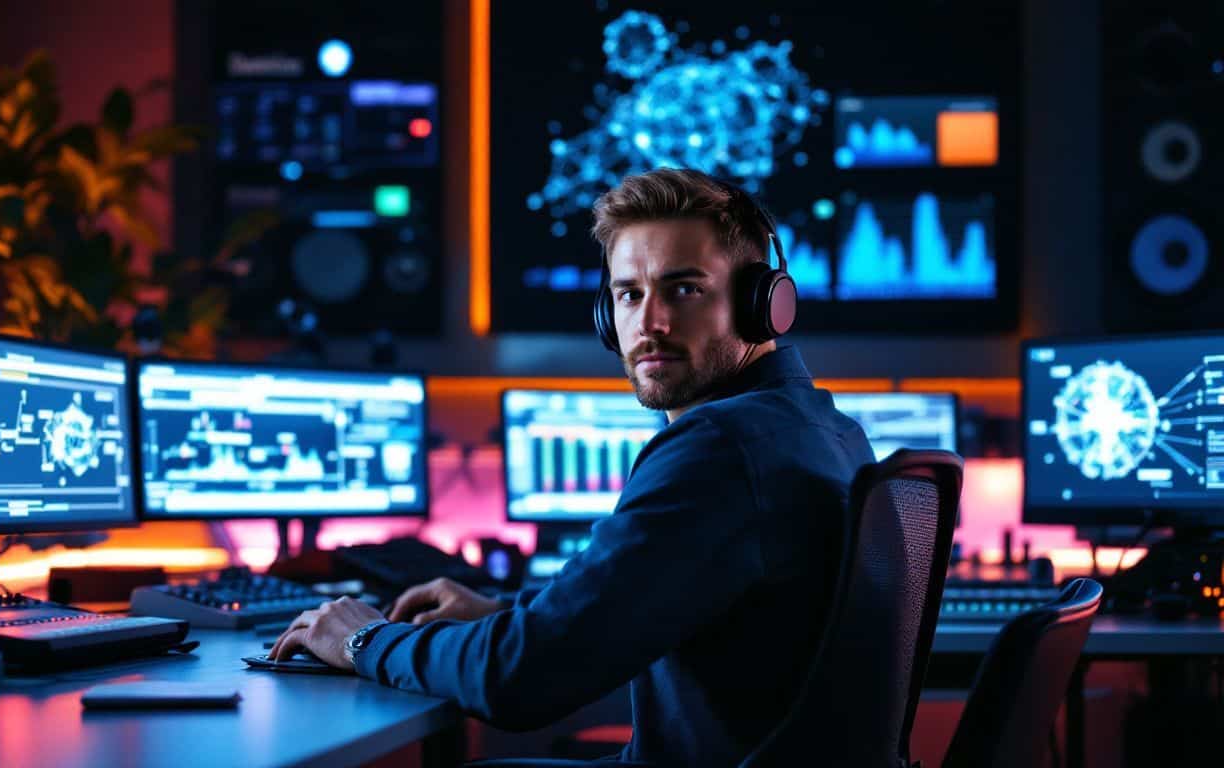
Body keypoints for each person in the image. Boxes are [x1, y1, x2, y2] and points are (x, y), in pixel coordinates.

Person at [270, 168, 875, 767]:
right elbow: (637, 607)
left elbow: (521, 681)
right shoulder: (826, 429)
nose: (650, 323)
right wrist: (511, 615)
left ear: (762, 303)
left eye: (684, 289)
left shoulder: (720, 448)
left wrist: (364, 639)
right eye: (629, 293)